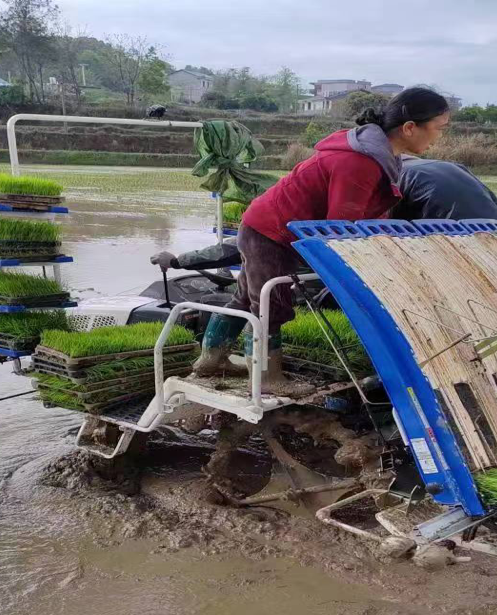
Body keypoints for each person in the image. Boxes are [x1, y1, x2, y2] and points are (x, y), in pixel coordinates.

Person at [193, 86, 452, 389]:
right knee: (269, 304)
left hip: (271, 227)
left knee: (247, 297)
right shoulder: (360, 161)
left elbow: (367, 215)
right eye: (438, 128)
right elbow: (338, 229)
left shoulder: (381, 156)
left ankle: (211, 360)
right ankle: (267, 379)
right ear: (410, 128)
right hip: (270, 232)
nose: (439, 137)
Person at [394, 156, 497, 221]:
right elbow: (495, 202)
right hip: (496, 223)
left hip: (451, 230)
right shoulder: (451, 166)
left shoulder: (392, 172)